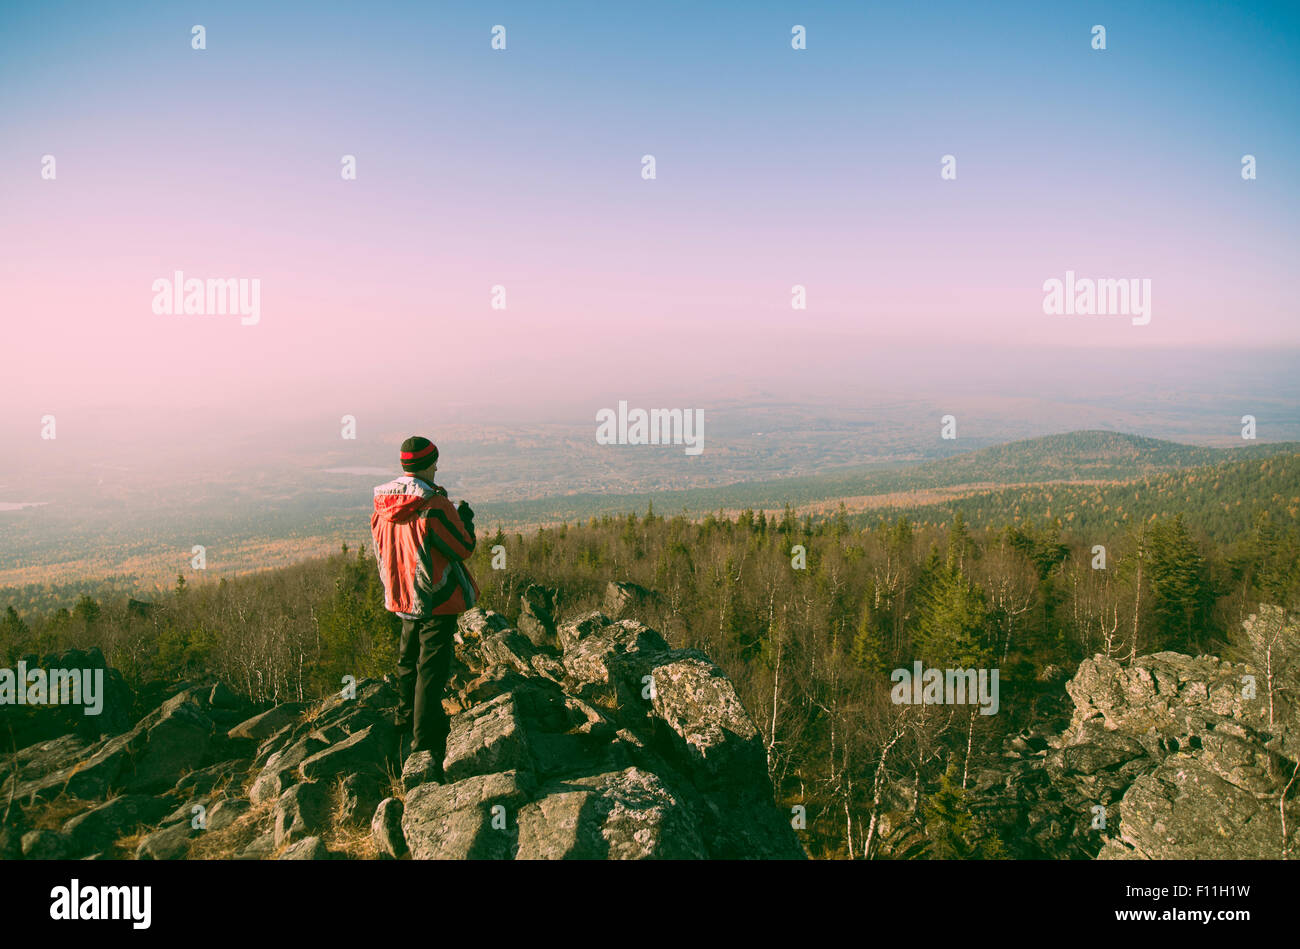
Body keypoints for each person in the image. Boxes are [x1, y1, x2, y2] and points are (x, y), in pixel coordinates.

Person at [370, 435, 479, 776]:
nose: (437, 468)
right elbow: (462, 548)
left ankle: (404, 717)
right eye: (435, 462)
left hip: (402, 592)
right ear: (429, 464)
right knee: (430, 668)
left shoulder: (382, 502)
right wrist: (465, 520)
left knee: (407, 659)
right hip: (436, 596)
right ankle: (425, 739)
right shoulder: (434, 505)